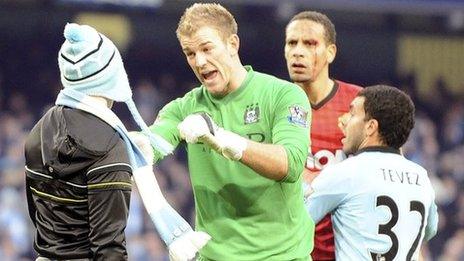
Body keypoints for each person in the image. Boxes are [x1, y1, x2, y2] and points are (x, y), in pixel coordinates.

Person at [142, 3, 314, 260]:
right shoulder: (184, 107)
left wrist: (223, 139)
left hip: (281, 255)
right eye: (190, 53)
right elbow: (152, 143)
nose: (199, 61)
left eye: (207, 48)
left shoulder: (283, 95)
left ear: (232, 44)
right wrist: (136, 145)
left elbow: (289, 164)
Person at [24, 23, 209, 261]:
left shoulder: (37, 131)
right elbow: (109, 249)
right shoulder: (109, 147)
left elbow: (37, 218)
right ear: (111, 76)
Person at [306, 85, 439, 260]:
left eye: (352, 115)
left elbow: (299, 217)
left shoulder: (345, 172)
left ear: (370, 127)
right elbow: (430, 229)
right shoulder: (421, 176)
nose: (344, 122)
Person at [284, 11, 362, 261]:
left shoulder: (359, 104)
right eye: (292, 43)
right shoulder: (271, 101)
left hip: (346, 247)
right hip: (287, 247)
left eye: (310, 44)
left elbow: (389, 163)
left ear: (331, 52)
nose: (298, 51)